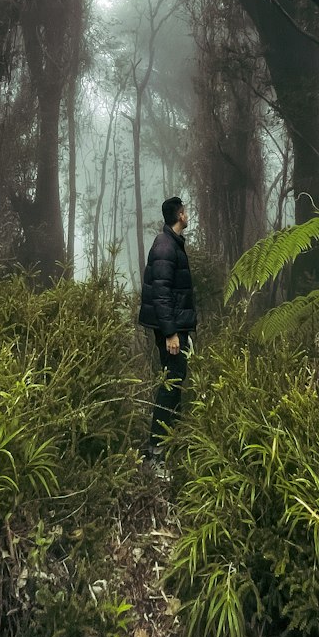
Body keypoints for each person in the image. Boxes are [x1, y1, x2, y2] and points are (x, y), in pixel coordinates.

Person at [138, 195, 197, 456]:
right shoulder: (165, 246)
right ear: (179, 216)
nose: (187, 215)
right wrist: (171, 333)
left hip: (175, 325)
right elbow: (160, 293)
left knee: (174, 379)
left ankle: (172, 440)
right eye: (185, 212)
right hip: (170, 329)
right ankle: (157, 450)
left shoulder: (171, 243)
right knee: (171, 382)